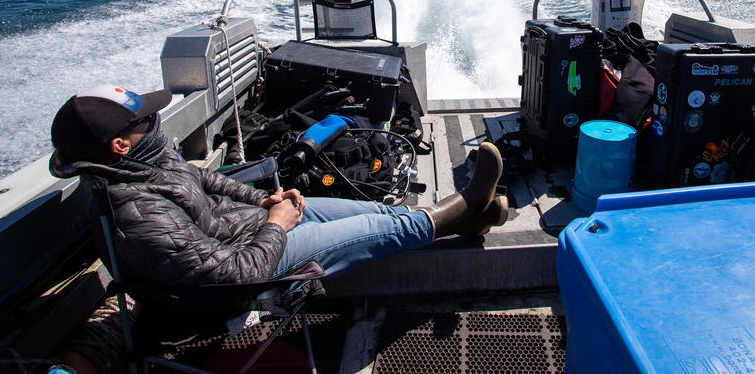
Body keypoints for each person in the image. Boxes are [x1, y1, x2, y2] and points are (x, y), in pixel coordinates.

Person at [49, 84, 508, 289]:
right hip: (254, 265)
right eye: (144, 121)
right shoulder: (134, 210)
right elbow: (231, 277)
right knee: (394, 229)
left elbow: (207, 179)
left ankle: (472, 220)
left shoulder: (147, 163)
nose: (154, 124)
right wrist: (276, 224)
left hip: (255, 227)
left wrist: (264, 199)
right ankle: (469, 203)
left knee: (383, 214)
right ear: (118, 145)